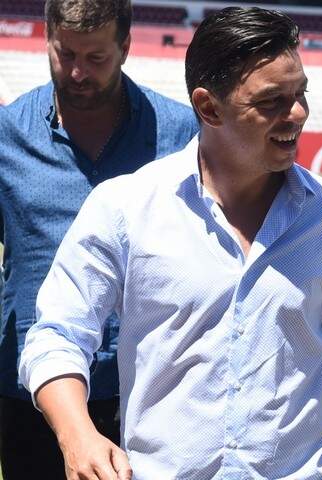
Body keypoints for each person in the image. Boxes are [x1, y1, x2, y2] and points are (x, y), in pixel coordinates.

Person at [19, 7, 322, 480]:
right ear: (208, 107)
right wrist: (79, 436)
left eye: (300, 94)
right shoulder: (126, 207)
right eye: (272, 100)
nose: (296, 114)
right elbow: (57, 335)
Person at [0, 0, 198, 477]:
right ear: (46, 37)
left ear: (126, 47)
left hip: (151, 392)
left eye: (96, 58)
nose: (77, 72)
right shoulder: (6, 136)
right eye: (64, 53)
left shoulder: (181, 134)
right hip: (30, 392)